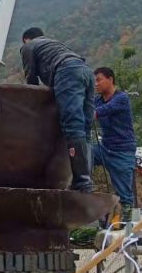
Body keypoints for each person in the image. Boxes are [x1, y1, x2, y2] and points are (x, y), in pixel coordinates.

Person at [20, 27, 94, 192]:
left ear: (26, 39)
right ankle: (87, 179)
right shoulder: (54, 44)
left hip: (66, 72)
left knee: (73, 125)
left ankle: (82, 182)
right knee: (85, 129)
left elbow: (31, 78)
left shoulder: (28, 46)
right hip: (86, 71)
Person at [93, 67, 137, 223]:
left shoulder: (121, 98)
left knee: (125, 196)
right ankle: (86, 188)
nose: (95, 84)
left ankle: (125, 228)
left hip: (123, 152)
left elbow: (101, 111)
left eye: (99, 80)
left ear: (110, 79)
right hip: (104, 148)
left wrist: (84, 112)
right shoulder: (97, 100)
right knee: (82, 153)